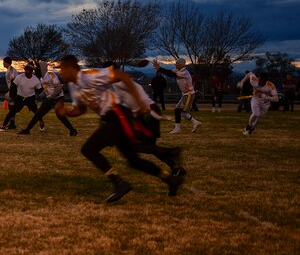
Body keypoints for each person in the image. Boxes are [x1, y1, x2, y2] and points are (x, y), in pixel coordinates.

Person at [57, 55, 183, 205]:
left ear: (71, 68)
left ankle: (119, 183)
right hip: (110, 119)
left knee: (89, 149)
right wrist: (66, 112)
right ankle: (170, 178)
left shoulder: (90, 76)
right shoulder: (73, 86)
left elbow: (122, 76)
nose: (61, 73)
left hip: (117, 115)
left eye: (62, 69)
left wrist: (140, 102)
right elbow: (80, 109)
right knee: (134, 160)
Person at [18, 62, 77, 136]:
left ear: (42, 69)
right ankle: (27, 130)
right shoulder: (42, 78)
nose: (36, 71)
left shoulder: (51, 75)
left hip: (58, 98)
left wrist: (51, 97)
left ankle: (73, 130)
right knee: (38, 114)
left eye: (37, 69)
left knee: (60, 115)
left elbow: (59, 88)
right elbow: (46, 89)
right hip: (49, 98)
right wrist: (40, 96)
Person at [153, 58, 202, 134]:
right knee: (180, 112)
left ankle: (178, 128)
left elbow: (171, 75)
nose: (175, 64)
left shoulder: (184, 72)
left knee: (177, 110)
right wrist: (159, 68)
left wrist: (160, 69)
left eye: (177, 63)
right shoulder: (178, 70)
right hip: (186, 94)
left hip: (189, 94)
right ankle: (195, 122)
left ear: (181, 65)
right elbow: (169, 72)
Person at [0, 64, 41, 130]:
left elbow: (39, 90)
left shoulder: (35, 79)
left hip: (30, 98)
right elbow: (13, 86)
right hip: (20, 97)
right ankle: (4, 125)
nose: (27, 72)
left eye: (29, 70)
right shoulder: (19, 77)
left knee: (36, 112)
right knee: (12, 111)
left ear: (32, 71)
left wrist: (37, 98)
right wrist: (12, 97)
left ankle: (41, 123)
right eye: (26, 70)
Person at [239, 71, 278, 136]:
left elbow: (276, 99)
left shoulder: (270, 85)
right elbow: (250, 73)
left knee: (258, 118)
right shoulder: (254, 80)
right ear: (258, 78)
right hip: (255, 99)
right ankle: (248, 126)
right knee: (255, 113)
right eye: (260, 80)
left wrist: (266, 97)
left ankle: (250, 130)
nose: (260, 82)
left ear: (266, 81)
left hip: (265, 104)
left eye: (263, 81)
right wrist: (242, 81)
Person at [2, 57, 19, 129]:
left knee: (12, 105)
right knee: (11, 105)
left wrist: (12, 91)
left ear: (6, 62)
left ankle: (12, 123)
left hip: (14, 90)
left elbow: (13, 79)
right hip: (13, 90)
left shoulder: (11, 69)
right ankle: (12, 122)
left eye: (3, 62)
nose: (3, 63)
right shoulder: (10, 69)